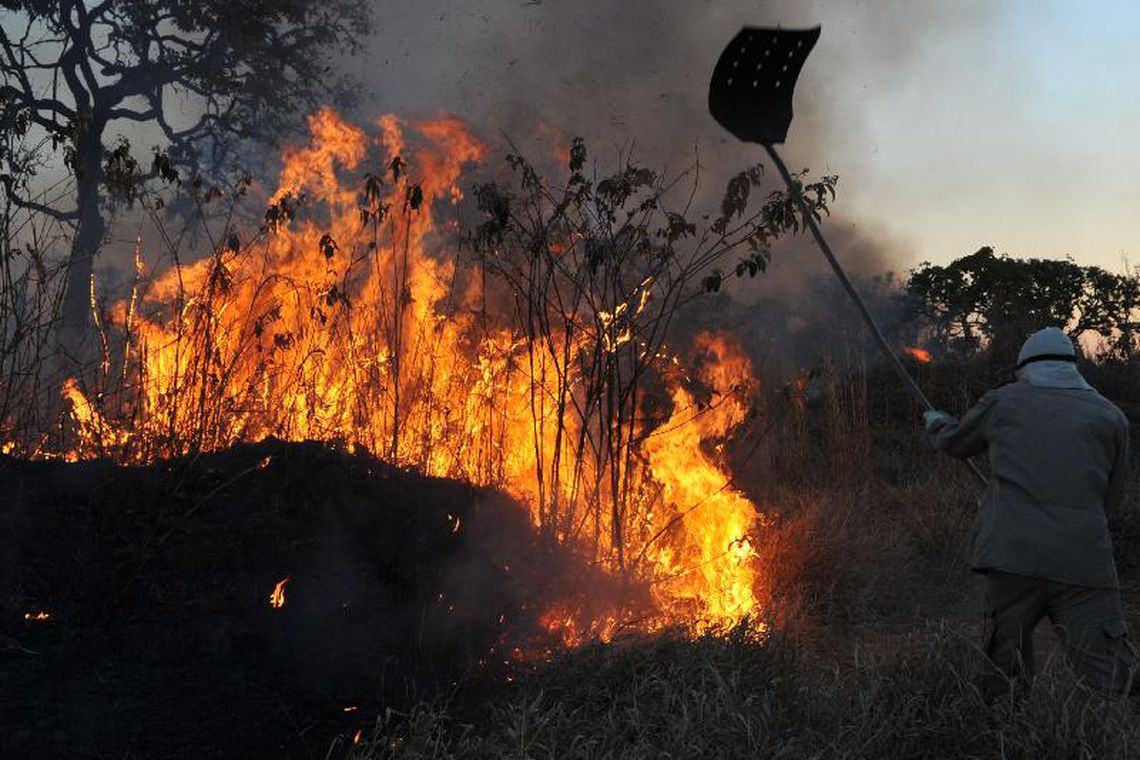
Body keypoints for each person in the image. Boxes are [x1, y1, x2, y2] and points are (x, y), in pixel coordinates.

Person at [924, 326, 1136, 697]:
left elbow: (956, 444)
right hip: (1084, 562)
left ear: (1025, 367)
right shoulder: (1111, 416)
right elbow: (1111, 502)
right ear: (1074, 366)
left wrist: (937, 424)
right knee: (1111, 676)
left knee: (1004, 672)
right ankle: (1118, 738)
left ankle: (1008, 738)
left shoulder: (1003, 402)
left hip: (1012, 558)